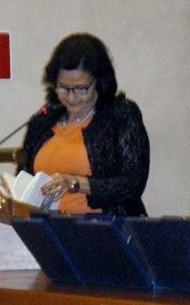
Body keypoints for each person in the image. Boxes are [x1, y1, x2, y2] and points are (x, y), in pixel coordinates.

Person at [18, 32, 150, 216]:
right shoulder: (42, 122)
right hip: (48, 227)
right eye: (63, 88)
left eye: (81, 88)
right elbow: (23, 183)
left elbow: (132, 184)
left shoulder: (120, 115)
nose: (71, 97)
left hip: (104, 228)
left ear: (99, 82)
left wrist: (74, 183)